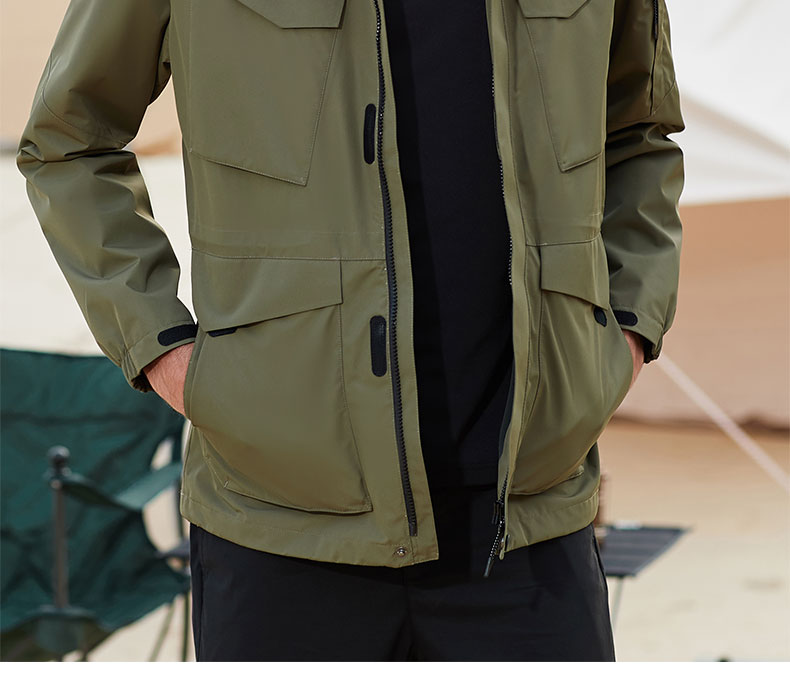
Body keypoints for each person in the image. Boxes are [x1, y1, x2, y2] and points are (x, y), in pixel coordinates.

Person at [17, 0, 684, 661]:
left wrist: (627, 331)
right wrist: (159, 345)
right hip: (280, 526)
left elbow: (640, 135)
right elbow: (68, 143)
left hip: (530, 524)